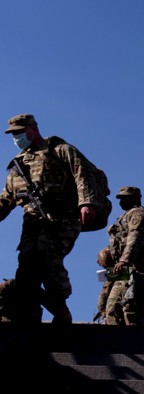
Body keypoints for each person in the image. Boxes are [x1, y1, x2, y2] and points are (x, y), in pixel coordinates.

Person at [0, 113, 103, 325]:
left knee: (47, 255)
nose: (16, 137)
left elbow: (82, 173)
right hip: (32, 223)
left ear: (33, 129)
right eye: (13, 134)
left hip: (62, 217)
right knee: (26, 267)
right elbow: (5, 200)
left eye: (19, 132)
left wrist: (87, 202)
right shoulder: (17, 166)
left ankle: (60, 306)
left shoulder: (59, 150)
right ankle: (30, 314)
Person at [96, 186, 144, 326]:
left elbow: (135, 238)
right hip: (122, 269)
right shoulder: (125, 216)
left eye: (125, 197)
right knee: (107, 307)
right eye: (120, 198)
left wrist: (124, 260)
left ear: (136, 198)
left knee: (122, 309)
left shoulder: (138, 213)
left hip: (134, 268)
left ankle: (127, 344)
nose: (122, 201)